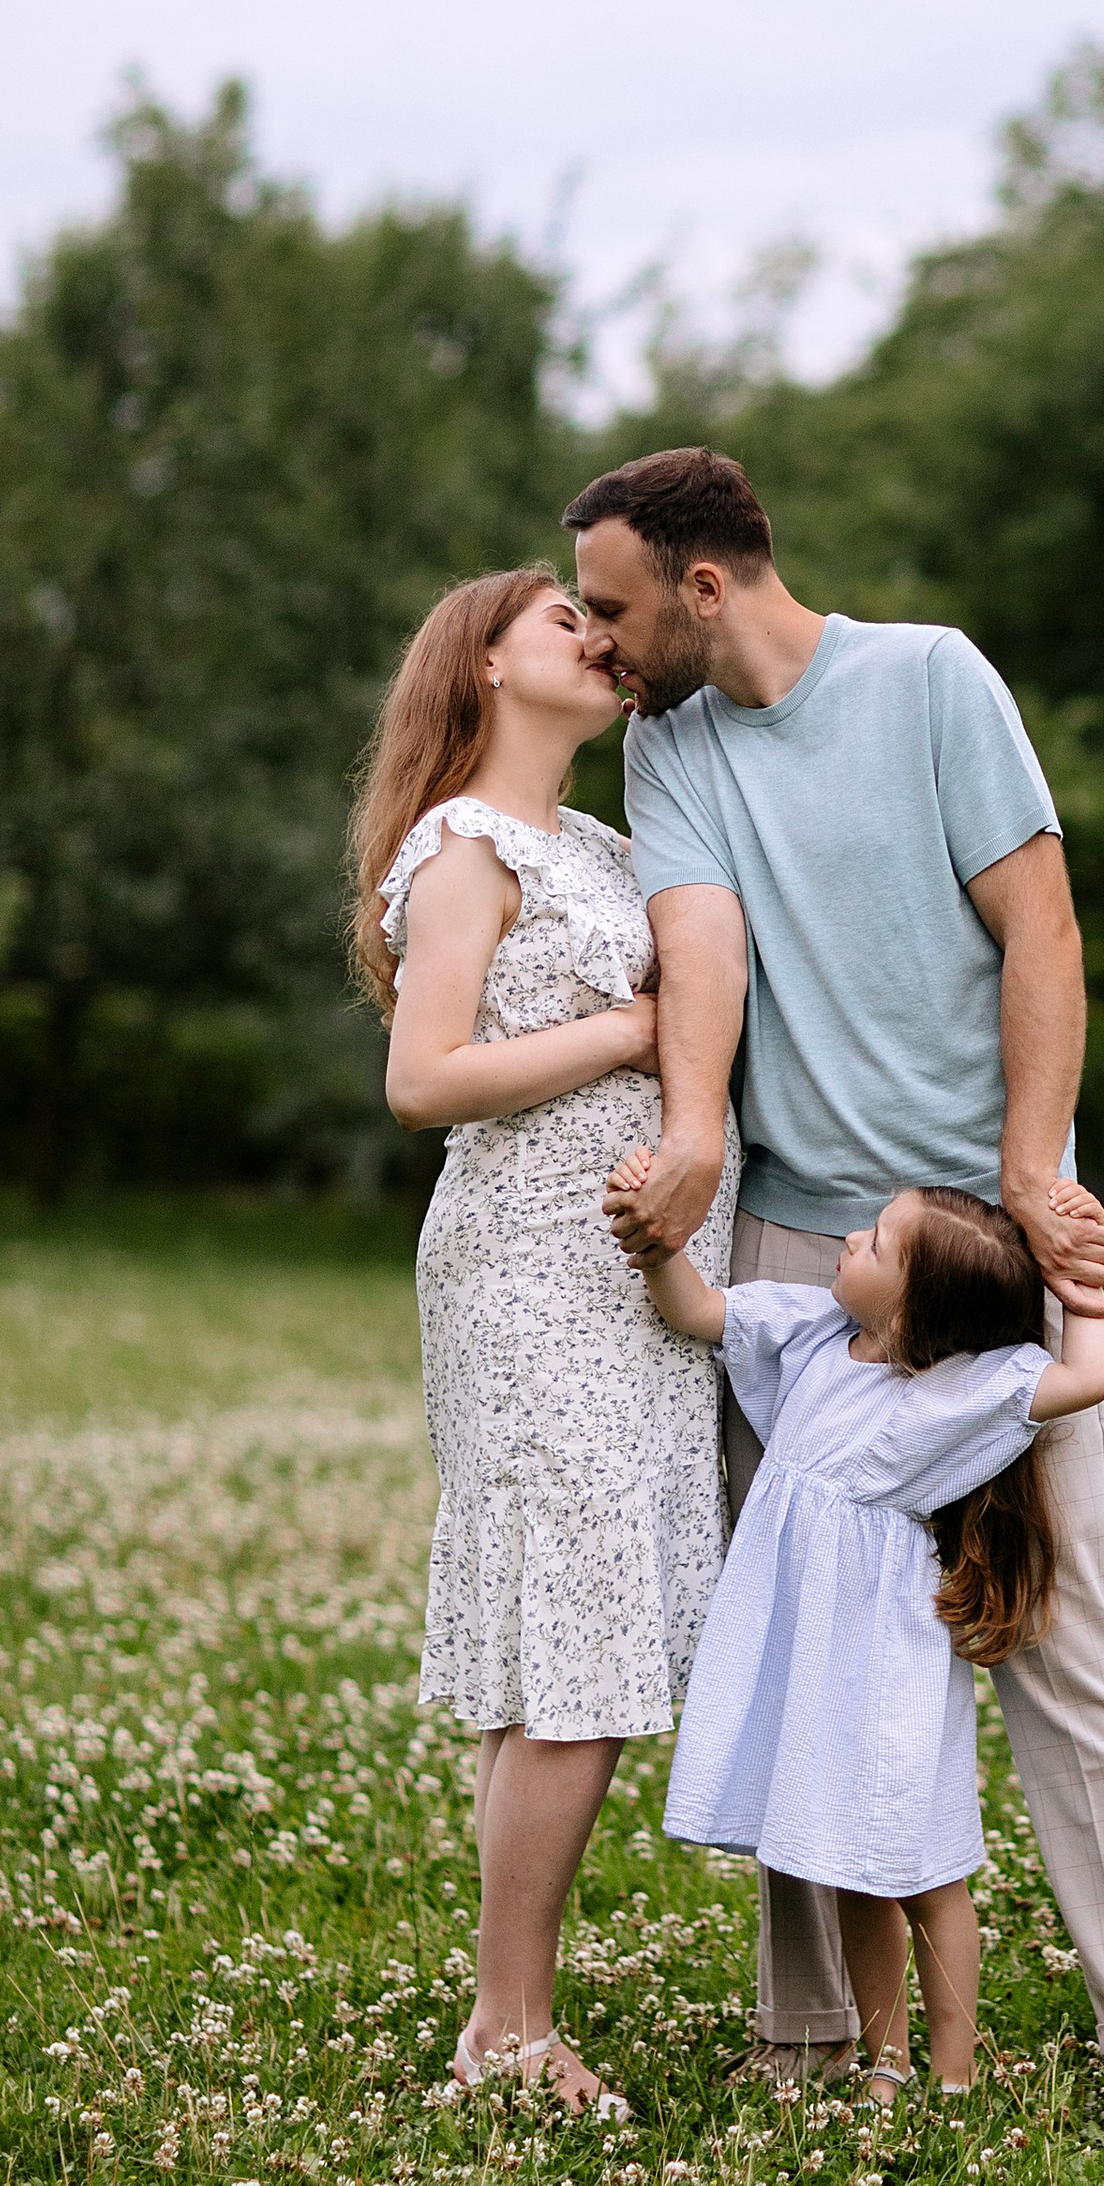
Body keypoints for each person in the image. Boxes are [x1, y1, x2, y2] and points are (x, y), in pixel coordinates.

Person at [568, 447, 1104, 2145]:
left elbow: (1045, 933)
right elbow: (701, 947)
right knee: (805, 1630)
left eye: (620, 608)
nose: (599, 638)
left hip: (983, 1246)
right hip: (795, 1249)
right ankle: (817, 2037)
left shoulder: (933, 681)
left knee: (1060, 1635)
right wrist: (699, 1134)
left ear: (706, 587)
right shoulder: (671, 746)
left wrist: (1028, 1175)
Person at [350, 565, 740, 2120]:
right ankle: (507, 2025)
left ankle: (505, 2012)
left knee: (563, 1649)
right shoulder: (464, 845)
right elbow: (422, 1077)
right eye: (560, 621)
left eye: (600, 619)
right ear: (485, 667)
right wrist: (635, 1035)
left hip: (625, 1278)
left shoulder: (600, 841)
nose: (596, 636)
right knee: (570, 1651)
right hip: (525, 1264)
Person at [611, 1158, 1104, 2102]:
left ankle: (954, 2074)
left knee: (927, 1872)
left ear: (919, 1305)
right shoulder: (812, 1334)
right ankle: (884, 2064)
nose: (852, 1239)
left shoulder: (960, 1391)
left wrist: (1079, 1277)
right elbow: (701, 1312)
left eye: (878, 1241)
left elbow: (1090, 1376)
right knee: (850, 1869)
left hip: (888, 1669)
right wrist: (656, 1245)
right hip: (810, 1665)